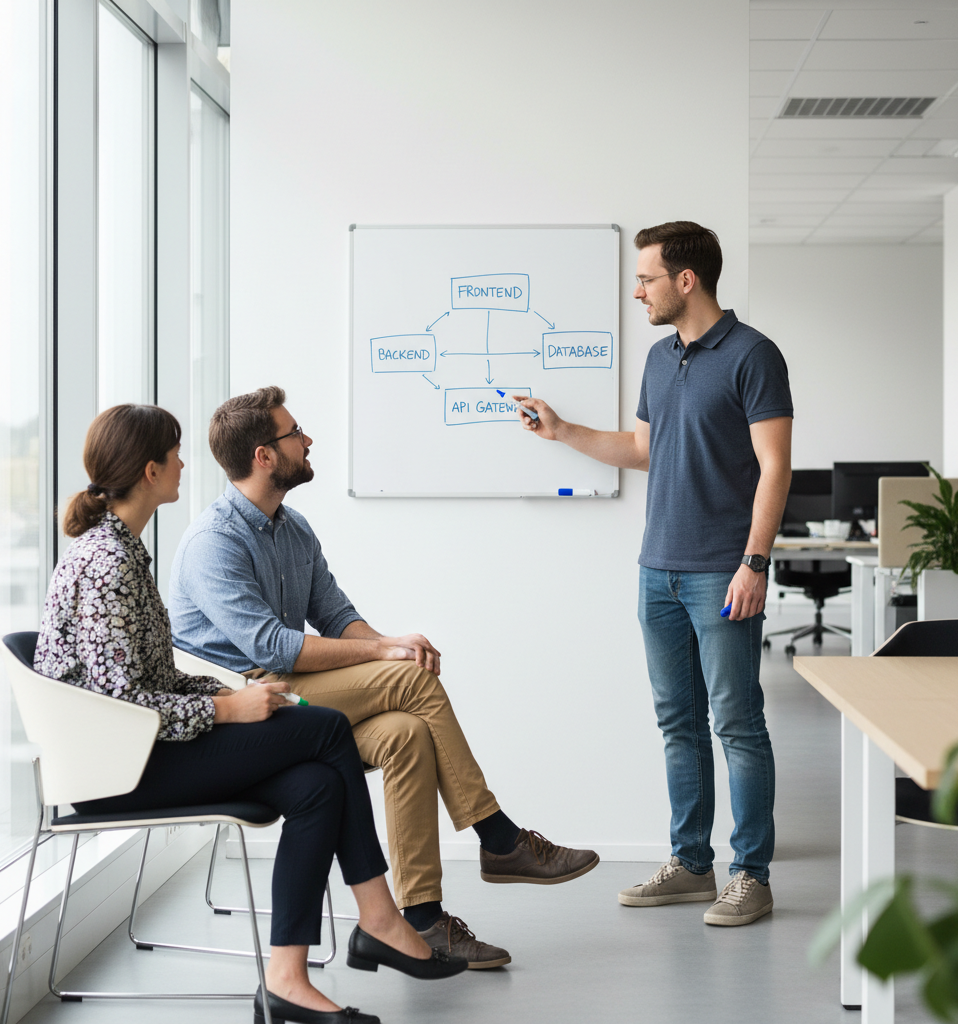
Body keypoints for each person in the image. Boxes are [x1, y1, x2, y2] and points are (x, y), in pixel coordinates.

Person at [34, 404, 467, 1024]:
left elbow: (150, 678)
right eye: (175, 453)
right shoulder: (108, 564)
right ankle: (378, 917)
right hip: (119, 769)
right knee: (323, 727)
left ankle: (287, 978)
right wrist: (227, 707)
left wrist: (227, 696)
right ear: (151, 471)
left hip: (145, 749)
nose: (186, 463)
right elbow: (122, 705)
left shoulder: (124, 550)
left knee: (317, 784)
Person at [168, 387, 599, 968]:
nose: (308, 439)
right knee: (413, 681)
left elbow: (338, 617)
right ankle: (500, 839)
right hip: (241, 710)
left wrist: (388, 642)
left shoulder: (292, 530)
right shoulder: (213, 541)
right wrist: (386, 655)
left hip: (290, 692)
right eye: (296, 433)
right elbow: (268, 645)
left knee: (406, 733)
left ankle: (421, 919)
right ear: (264, 456)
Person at [515, 221, 792, 927]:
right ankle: (691, 865)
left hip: (722, 574)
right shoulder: (660, 357)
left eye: (647, 278)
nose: (637, 289)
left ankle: (751, 875)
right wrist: (563, 431)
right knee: (679, 722)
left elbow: (775, 467)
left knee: (736, 722)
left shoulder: (754, 356)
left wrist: (754, 561)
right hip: (657, 571)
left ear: (686, 280)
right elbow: (642, 450)